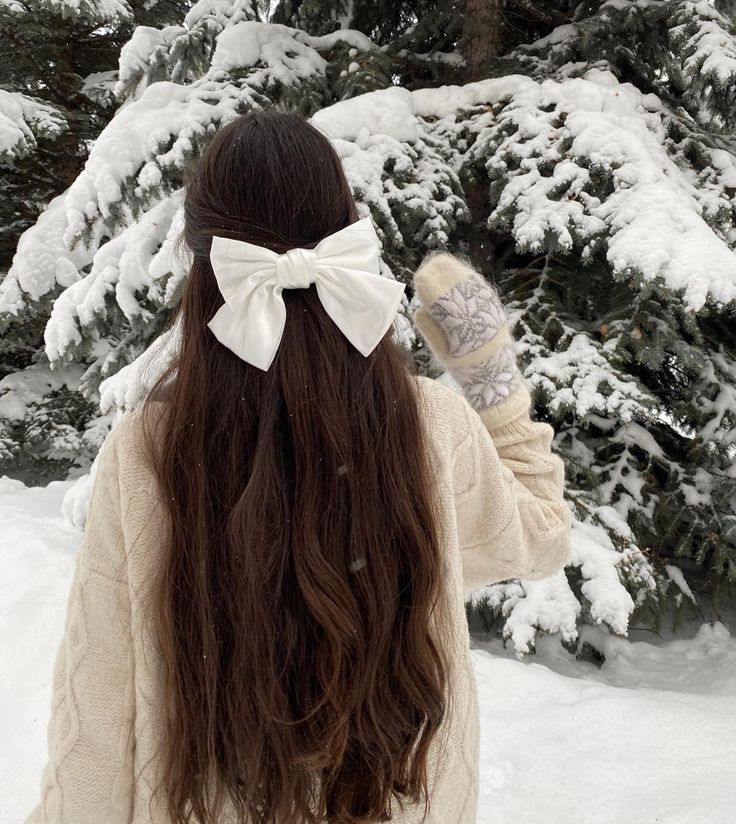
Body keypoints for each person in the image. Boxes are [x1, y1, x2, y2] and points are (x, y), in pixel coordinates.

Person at [24, 111, 572, 824]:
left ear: (205, 267)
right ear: (344, 239)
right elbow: (540, 533)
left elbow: (96, 727)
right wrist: (493, 380)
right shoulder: (425, 427)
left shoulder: (149, 454)